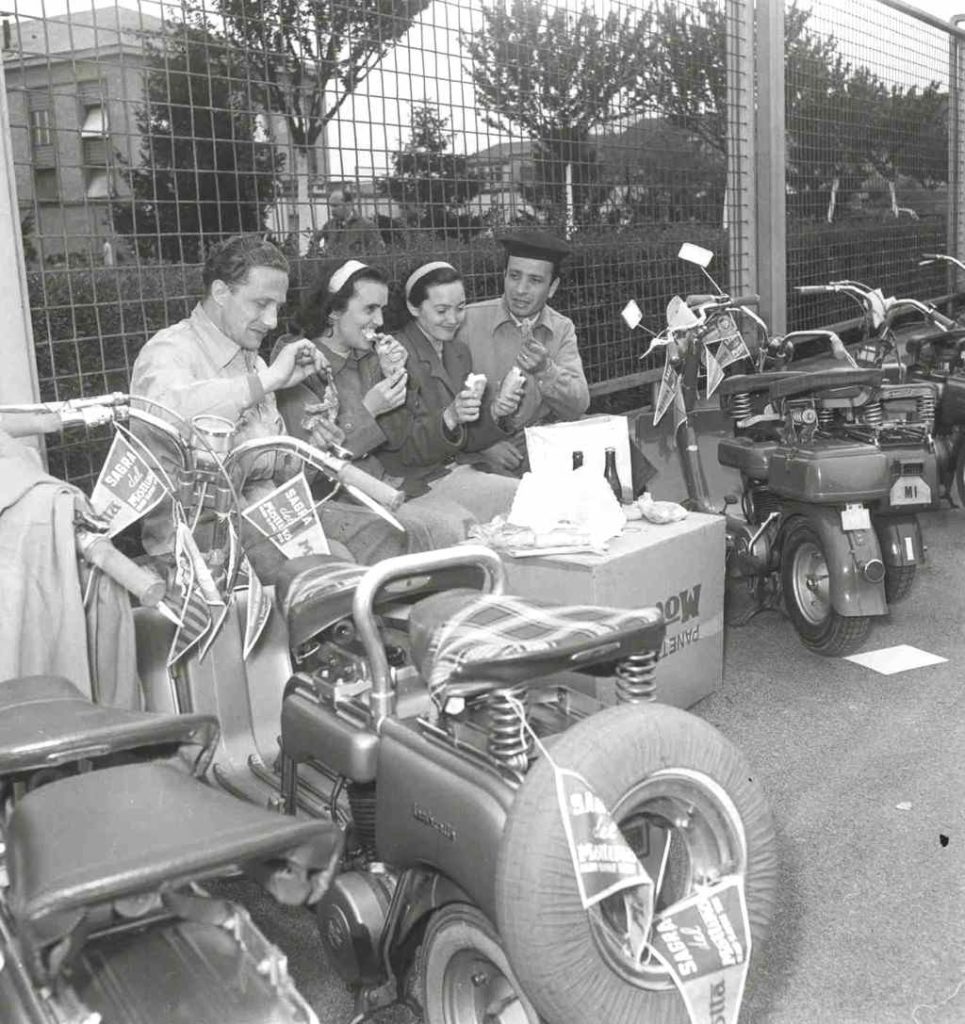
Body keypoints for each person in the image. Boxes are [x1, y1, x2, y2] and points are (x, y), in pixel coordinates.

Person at [128, 234, 350, 576]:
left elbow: (275, 472)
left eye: (277, 307)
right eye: (261, 304)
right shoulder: (168, 352)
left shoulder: (252, 361)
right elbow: (170, 418)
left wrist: (311, 451)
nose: (273, 321)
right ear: (220, 293)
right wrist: (266, 383)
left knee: (392, 533)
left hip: (267, 514)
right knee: (328, 568)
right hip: (198, 531)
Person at [273, 259, 478, 560]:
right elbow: (312, 466)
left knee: (467, 530)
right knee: (445, 535)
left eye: (382, 309)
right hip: (334, 497)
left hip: (383, 488)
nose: (380, 321)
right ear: (334, 311)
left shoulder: (368, 359)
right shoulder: (301, 362)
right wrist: (368, 408)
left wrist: (394, 375)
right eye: (369, 309)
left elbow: (396, 441)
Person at [378, 260, 520, 522]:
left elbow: (467, 434)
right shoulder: (395, 356)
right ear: (413, 307)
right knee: (523, 499)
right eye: (442, 310)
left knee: (530, 496)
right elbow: (406, 449)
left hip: (457, 469)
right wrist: (450, 417)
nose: (453, 320)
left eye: (460, 308)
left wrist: (496, 411)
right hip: (420, 482)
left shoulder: (458, 352)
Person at [458, 229, 590, 474]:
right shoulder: (467, 321)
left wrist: (545, 370)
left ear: (552, 288)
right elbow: (440, 400)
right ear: (503, 276)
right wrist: (483, 445)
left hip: (538, 442)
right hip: (477, 449)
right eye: (514, 276)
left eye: (535, 281)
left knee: (614, 449)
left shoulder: (561, 328)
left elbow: (577, 405)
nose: (520, 289)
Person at [311, 187, 385, 257]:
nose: (332, 209)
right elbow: (315, 243)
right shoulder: (329, 225)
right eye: (331, 206)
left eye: (335, 206)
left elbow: (378, 253)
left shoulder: (367, 226)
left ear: (348, 205)